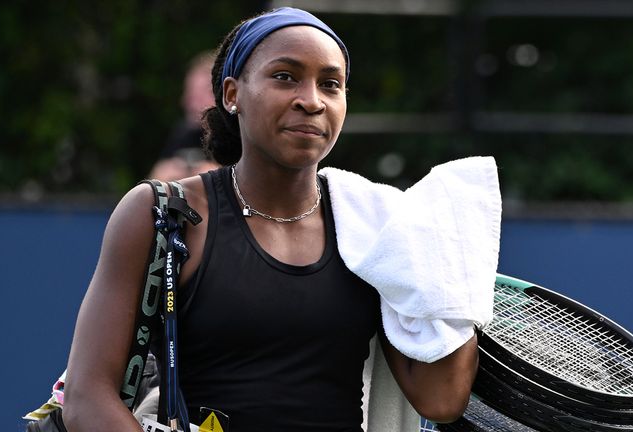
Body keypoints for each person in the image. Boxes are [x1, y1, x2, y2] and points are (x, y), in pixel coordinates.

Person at [62, 7, 482, 432]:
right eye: (285, 76)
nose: (312, 100)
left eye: (330, 85)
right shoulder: (161, 212)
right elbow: (86, 396)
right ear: (232, 95)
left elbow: (441, 398)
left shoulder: (377, 226)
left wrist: (456, 261)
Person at [149, 51, 220, 181]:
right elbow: (158, 176)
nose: (187, 102)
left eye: (198, 94)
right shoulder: (184, 133)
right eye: (189, 93)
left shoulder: (237, 134)